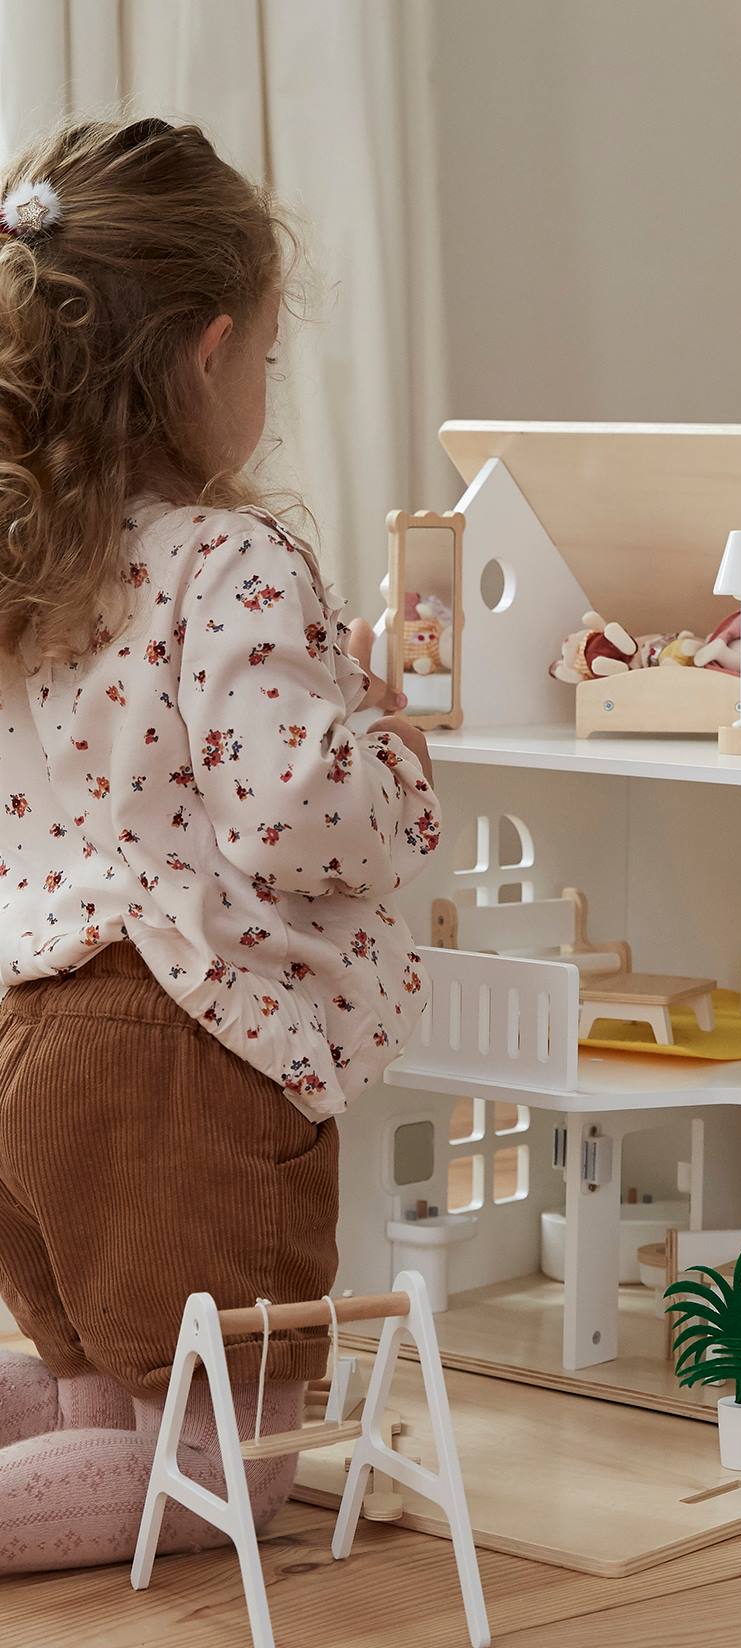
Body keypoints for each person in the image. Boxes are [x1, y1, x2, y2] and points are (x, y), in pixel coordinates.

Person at [0, 117, 439, 1571]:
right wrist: (386, 752)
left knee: (107, 1409)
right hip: (175, 1052)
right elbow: (294, 817)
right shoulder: (231, 563)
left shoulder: (29, 560)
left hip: (22, 1036)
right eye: (263, 363)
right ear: (209, 348)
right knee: (220, 1472)